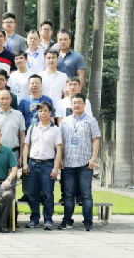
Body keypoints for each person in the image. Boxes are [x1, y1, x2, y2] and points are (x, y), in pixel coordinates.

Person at [58, 94, 101, 231]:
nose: (76, 105)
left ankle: (88, 222)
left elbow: (96, 140)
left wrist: (93, 159)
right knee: (68, 195)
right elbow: (61, 142)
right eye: (74, 103)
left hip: (85, 164)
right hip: (68, 164)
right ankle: (67, 221)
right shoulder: (65, 121)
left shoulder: (91, 121)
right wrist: (60, 159)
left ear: (84, 105)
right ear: (71, 105)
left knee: (86, 194)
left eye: (79, 103)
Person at [21, 102, 63, 230]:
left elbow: (59, 149)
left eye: (45, 111)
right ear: (37, 113)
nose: (42, 113)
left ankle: (48, 220)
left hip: (47, 165)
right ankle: (34, 219)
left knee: (48, 194)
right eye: (40, 111)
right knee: (32, 194)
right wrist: (25, 163)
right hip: (32, 164)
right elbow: (26, 146)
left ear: (50, 113)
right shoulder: (32, 128)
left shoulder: (55, 130)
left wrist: (55, 168)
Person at [0, 89, 26, 159]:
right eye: (2, 98)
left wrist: (21, 156)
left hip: (13, 153)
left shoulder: (18, 115)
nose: (4, 101)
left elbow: (22, 136)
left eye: (7, 98)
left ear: (11, 99)